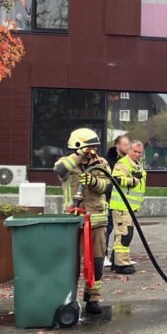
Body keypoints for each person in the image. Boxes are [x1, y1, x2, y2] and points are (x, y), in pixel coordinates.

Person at [53, 128, 112, 316]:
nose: (93, 149)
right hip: (74, 221)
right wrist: (78, 156)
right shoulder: (66, 164)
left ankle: (93, 297)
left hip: (97, 220)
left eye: (95, 146)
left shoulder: (101, 163)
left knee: (96, 261)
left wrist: (93, 181)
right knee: (71, 262)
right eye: (90, 146)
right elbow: (59, 171)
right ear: (79, 146)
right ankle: (69, 297)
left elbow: (107, 186)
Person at [109, 142, 147, 274]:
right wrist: (133, 180)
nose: (137, 154)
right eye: (135, 151)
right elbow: (116, 180)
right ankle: (121, 264)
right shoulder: (122, 164)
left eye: (139, 152)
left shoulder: (137, 165)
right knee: (124, 235)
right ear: (129, 150)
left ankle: (115, 261)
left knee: (122, 234)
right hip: (121, 206)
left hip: (129, 207)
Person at [104, 135, 131, 262]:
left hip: (124, 202)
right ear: (118, 146)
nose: (128, 147)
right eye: (125, 145)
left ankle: (117, 256)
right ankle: (103, 255)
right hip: (111, 200)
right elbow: (109, 181)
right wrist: (108, 198)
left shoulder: (129, 161)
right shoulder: (108, 161)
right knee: (107, 227)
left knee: (122, 230)